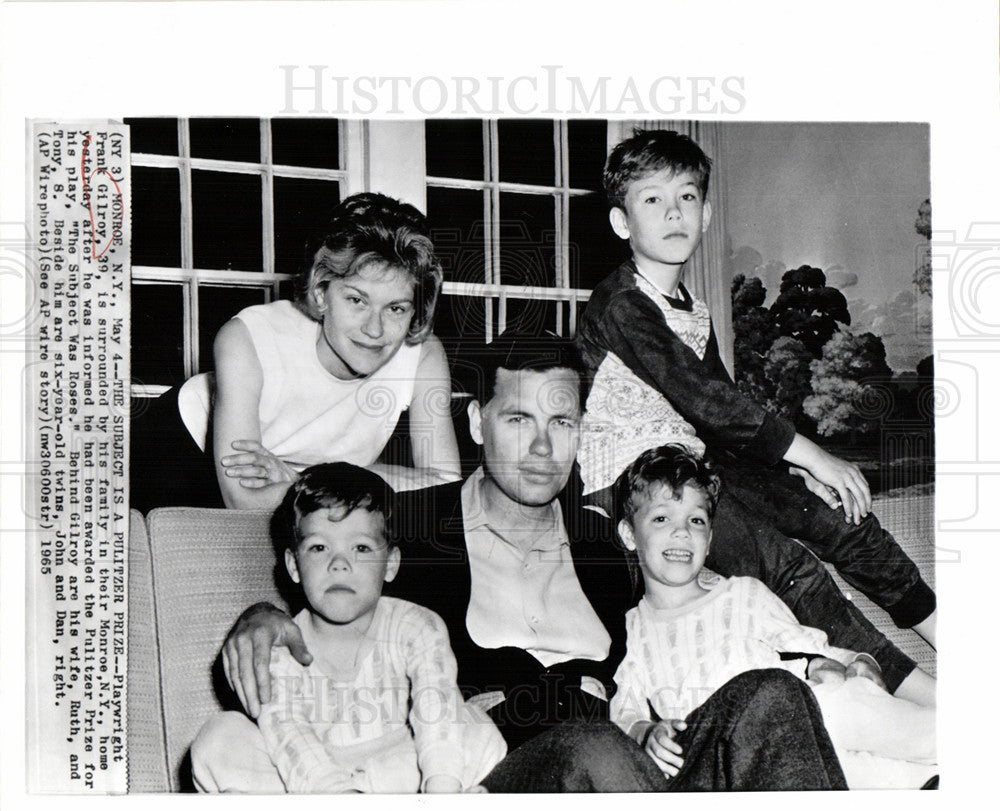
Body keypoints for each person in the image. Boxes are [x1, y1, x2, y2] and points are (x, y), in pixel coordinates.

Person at [211, 332, 848, 792]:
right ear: (477, 423)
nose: (543, 447)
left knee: (771, 695)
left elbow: (708, 602)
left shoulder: (608, 544)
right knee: (590, 747)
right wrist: (264, 613)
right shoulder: (411, 529)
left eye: (562, 422)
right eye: (519, 418)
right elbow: (327, 572)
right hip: (505, 779)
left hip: (638, 771)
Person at [575, 129, 936, 704]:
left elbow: (722, 403)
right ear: (622, 222)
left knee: (833, 514)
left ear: (707, 212)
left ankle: (951, 636)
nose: (673, 213)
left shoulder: (689, 306)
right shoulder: (622, 303)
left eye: (687, 197)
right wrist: (812, 452)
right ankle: (927, 697)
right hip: (633, 485)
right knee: (790, 566)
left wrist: (800, 473)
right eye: (652, 200)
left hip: (693, 462)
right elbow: (705, 400)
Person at [609, 445, 936, 789]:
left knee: (842, 719)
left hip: (812, 720)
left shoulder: (744, 595)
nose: (682, 532)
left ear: (709, 539)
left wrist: (858, 660)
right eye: (661, 518)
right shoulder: (629, 631)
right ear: (630, 534)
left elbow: (812, 648)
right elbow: (624, 709)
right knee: (826, 725)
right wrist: (645, 732)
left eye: (696, 520)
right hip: (735, 753)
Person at [130, 192, 461, 513]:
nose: (374, 329)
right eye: (356, 300)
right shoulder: (247, 338)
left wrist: (305, 479)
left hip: (293, 486)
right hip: (176, 456)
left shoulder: (423, 356)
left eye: (396, 308)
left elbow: (446, 487)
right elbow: (242, 500)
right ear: (320, 293)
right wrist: (329, 483)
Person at [192, 462, 505, 793]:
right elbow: (289, 732)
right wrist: (340, 795)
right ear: (293, 566)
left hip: (403, 764)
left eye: (361, 548)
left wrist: (443, 789)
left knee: (471, 724)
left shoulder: (417, 625)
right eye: (319, 547)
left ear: (391, 564)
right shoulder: (280, 647)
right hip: (311, 780)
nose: (339, 563)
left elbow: (436, 706)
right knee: (219, 738)